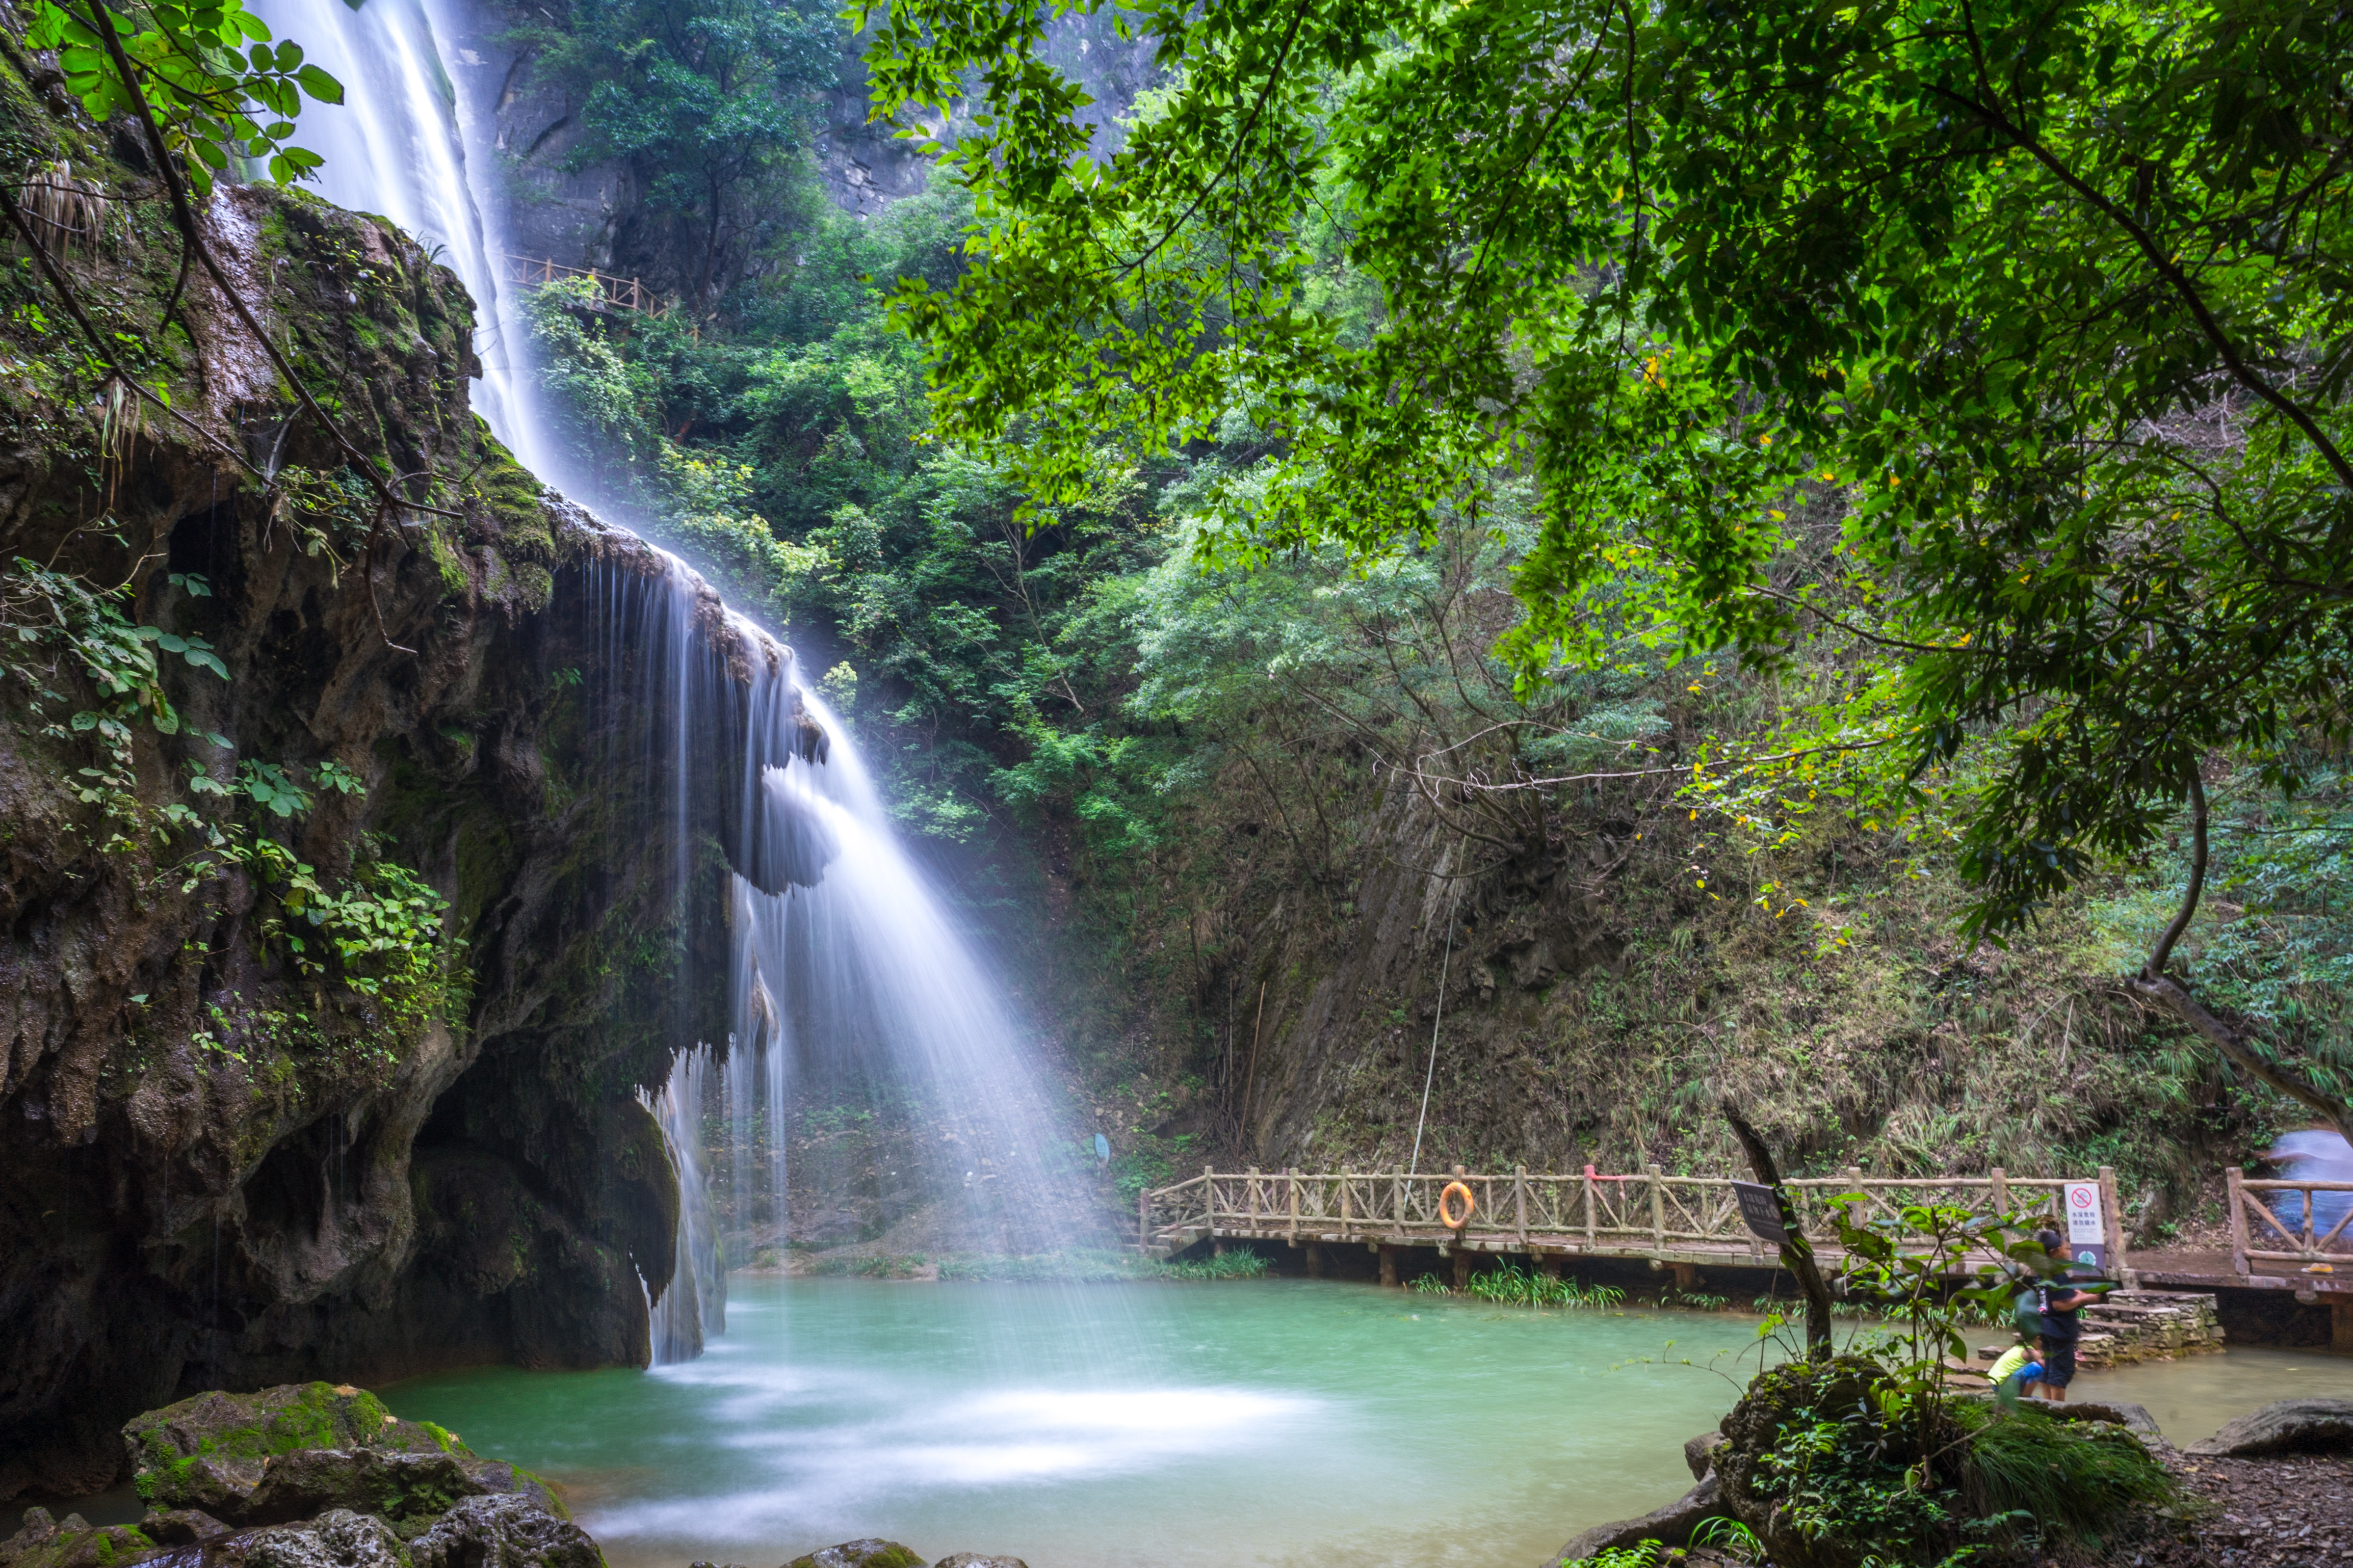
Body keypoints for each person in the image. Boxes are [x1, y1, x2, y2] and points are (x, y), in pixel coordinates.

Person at [2029, 1228, 2101, 1401]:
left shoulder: (2040, 1271)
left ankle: (2048, 1409)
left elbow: (2050, 1297)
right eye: (2065, 1248)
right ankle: (2058, 1413)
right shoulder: (2058, 1275)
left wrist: (2075, 1293)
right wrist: (2085, 1298)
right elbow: (2060, 1304)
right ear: (2055, 1253)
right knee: (2060, 1374)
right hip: (2059, 1330)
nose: (2068, 1251)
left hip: (2045, 1326)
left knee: (2048, 1371)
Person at [2263, 1128, 2353, 1250]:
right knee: (2337, 1227)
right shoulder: (2342, 1139)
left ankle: (2325, 1258)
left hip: (2321, 1195)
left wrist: (2275, 1155)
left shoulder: (2320, 1138)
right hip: (2339, 1196)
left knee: (2319, 1226)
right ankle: (2326, 1258)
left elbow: (2296, 1153)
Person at [1988, 1337, 2046, 1408]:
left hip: (1997, 1386)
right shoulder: (2032, 1352)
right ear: (2038, 1339)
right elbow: (2047, 1367)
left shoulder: (2020, 1347)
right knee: (2037, 1368)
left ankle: (2023, 1396)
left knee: (2032, 1368)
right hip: (2004, 1387)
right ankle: (2025, 1398)